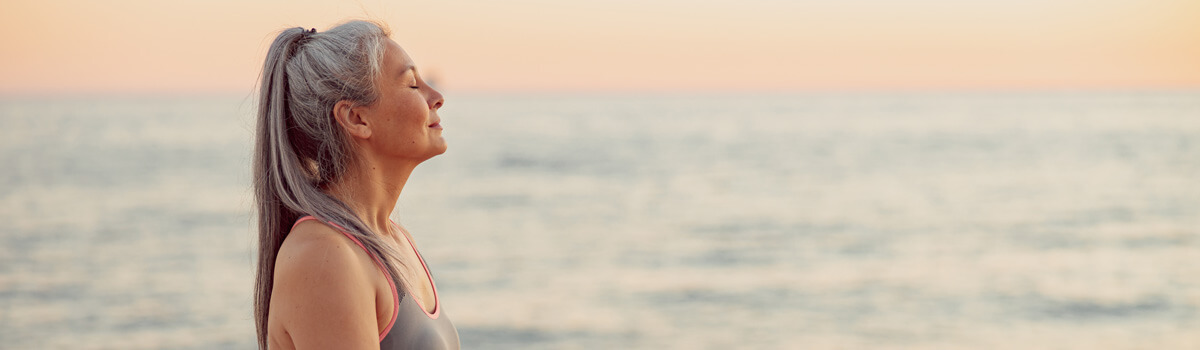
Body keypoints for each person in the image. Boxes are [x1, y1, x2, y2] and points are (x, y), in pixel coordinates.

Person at [251, 20, 459, 349]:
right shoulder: (324, 255)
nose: (437, 98)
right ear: (356, 118)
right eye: (412, 85)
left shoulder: (395, 241)